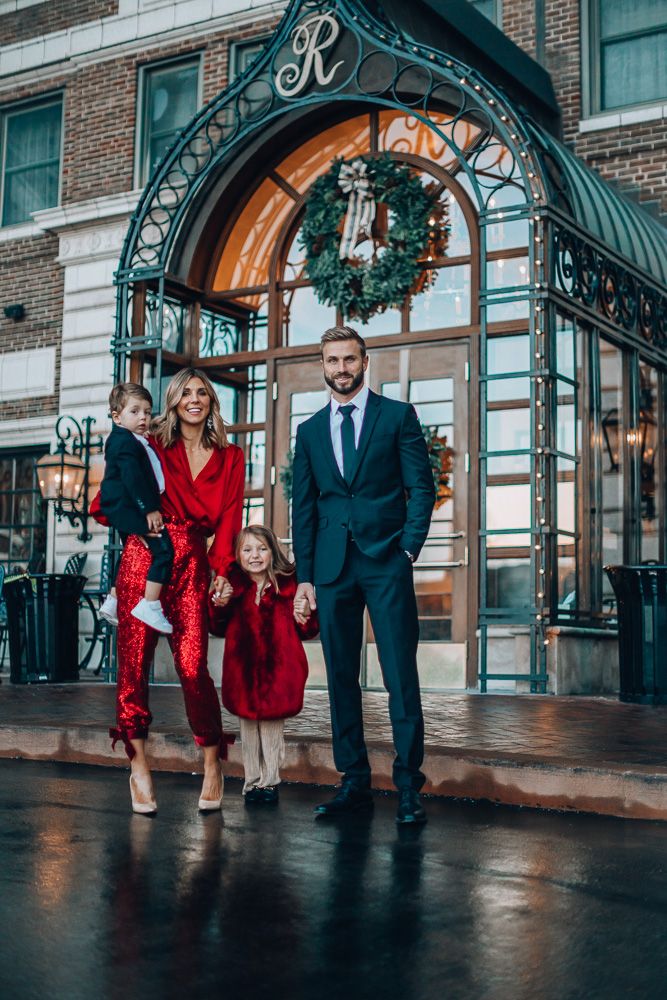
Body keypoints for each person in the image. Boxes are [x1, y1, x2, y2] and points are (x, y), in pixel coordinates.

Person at [291, 326, 435, 825]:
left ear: (365, 361)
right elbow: (303, 509)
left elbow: (422, 488)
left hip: (385, 562)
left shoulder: (397, 416)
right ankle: (352, 780)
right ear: (323, 366)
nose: (341, 368)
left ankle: (408, 785)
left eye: (349, 359)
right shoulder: (308, 431)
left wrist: (408, 550)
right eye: (332, 360)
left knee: (400, 674)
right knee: (341, 681)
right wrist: (305, 576)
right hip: (331, 570)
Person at [95, 367, 244, 815]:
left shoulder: (231, 455)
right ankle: (138, 763)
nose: (194, 399)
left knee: (194, 666)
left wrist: (223, 569)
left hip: (195, 562)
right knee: (133, 665)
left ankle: (213, 760)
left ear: (210, 402)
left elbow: (232, 517)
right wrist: (136, 529)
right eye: (186, 393)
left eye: (202, 392)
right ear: (175, 402)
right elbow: (109, 497)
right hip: (146, 556)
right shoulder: (151, 444)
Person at [209, 525, 319, 804]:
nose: (254, 555)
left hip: (279, 669)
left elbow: (308, 629)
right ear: (238, 554)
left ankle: (269, 781)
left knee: (271, 727)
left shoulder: (290, 584)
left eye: (262, 548)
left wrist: (304, 614)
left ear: (273, 552)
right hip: (242, 668)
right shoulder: (233, 586)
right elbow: (217, 626)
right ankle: (252, 780)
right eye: (247, 550)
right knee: (248, 726)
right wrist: (218, 605)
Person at [98, 382, 174, 634]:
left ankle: (112, 600)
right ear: (117, 416)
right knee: (163, 550)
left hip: (125, 508)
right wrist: (149, 509)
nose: (143, 417)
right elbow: (133, 479)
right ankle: (150, 604)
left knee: (128, 552)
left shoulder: (134, 439)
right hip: (132, 508)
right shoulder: (124, 442)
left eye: (147, 412)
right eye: (135, 411)